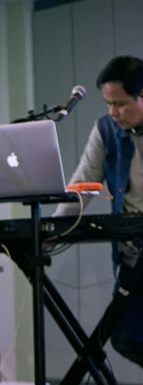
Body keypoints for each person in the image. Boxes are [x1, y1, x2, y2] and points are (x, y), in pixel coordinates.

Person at [54, 55, 143, 368]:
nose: (113, 112)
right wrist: (52, 229)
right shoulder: (106, 130)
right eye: (108, 103)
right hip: (134, 255)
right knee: (126, 337)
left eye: (119, 103)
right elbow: (84, 183)